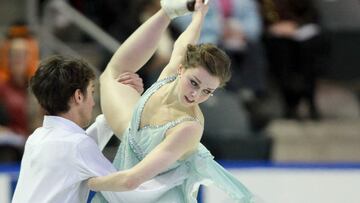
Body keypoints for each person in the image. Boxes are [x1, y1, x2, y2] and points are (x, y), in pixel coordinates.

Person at [90, 0, 256, 202]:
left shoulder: (189, 128)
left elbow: (132, 181)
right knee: (113, 74)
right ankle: (166, 12)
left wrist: (84, 180)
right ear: (181, 69)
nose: (196, 95)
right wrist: (199, 15)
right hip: (131, 145)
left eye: (207, 91)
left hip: (147, 192)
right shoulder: (170, 75)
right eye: (194, 83)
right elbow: (185, 42)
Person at [12, 55, 169, 203]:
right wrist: (177, 176)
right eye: (92, 92)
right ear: (79, 96)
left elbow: (78, 151)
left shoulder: (36, 139)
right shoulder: (76, 146)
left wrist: (120, 102)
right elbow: (126, 189)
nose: (93, 103)